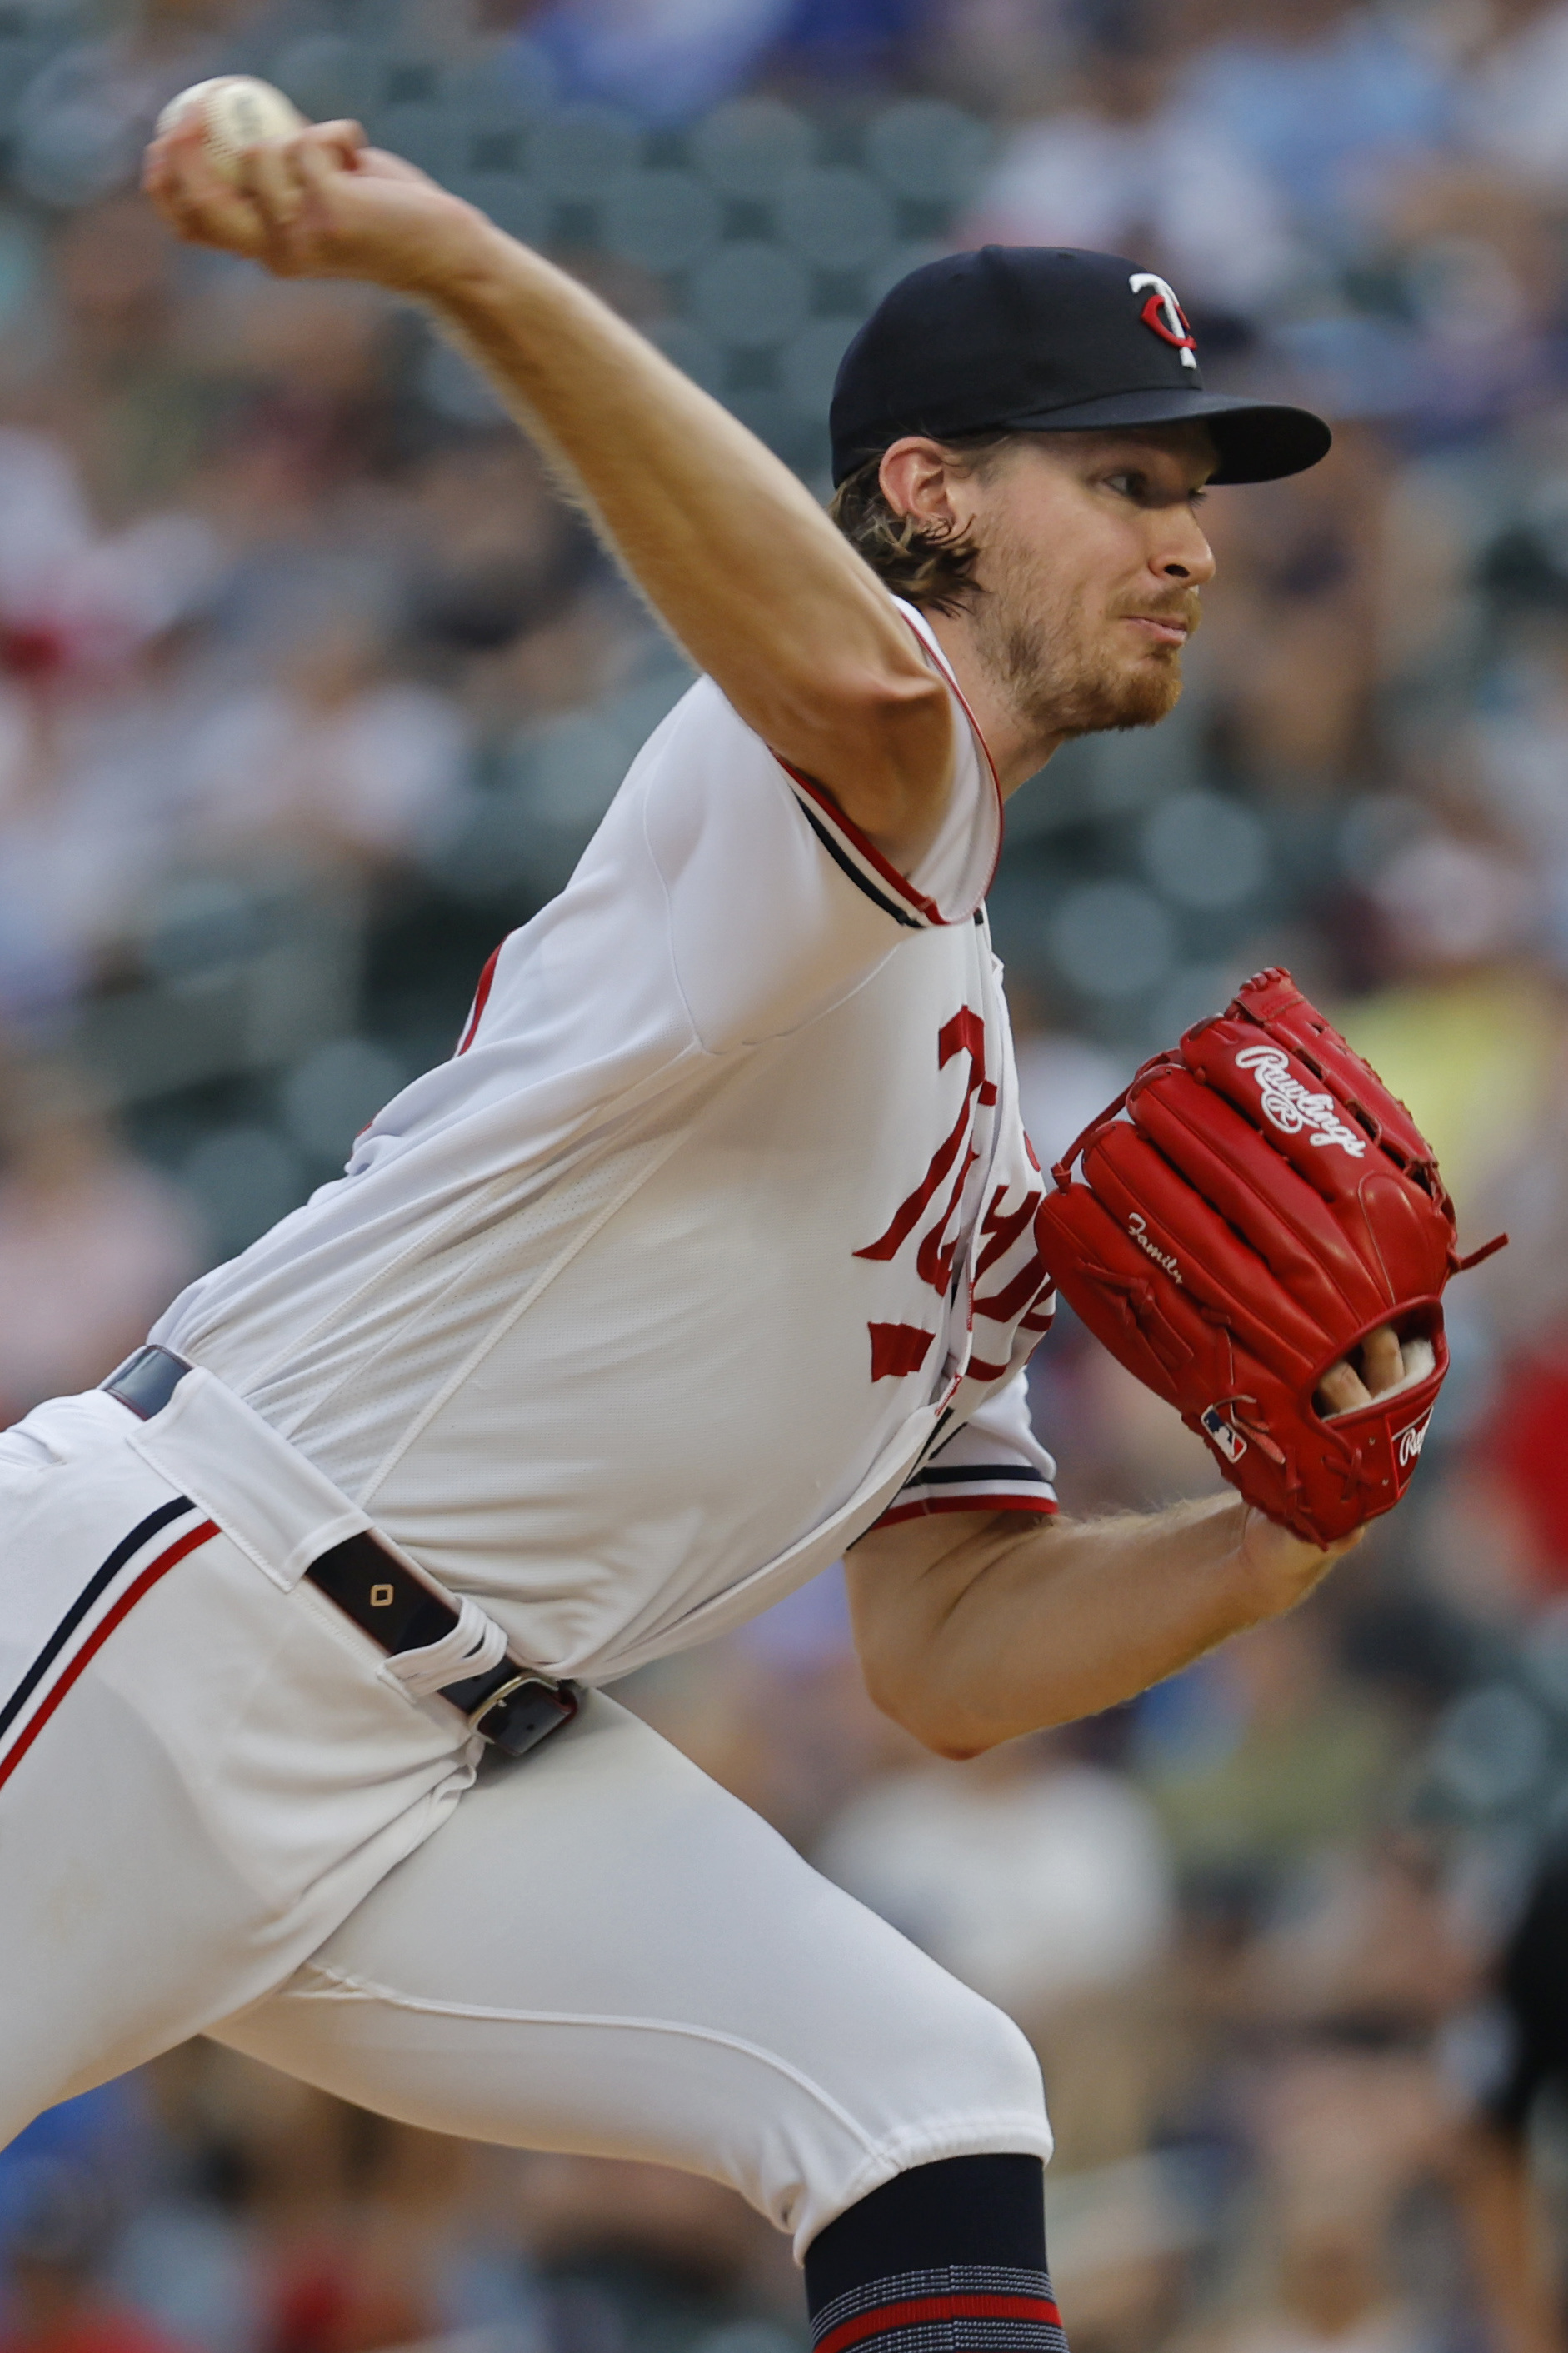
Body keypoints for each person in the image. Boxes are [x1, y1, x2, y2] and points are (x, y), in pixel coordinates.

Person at [0, 114, 1412, 2353]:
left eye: (1198, 497)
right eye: (1126, 483)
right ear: (927, 493)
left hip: (449, 1768)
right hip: (179, 1612)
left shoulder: (960, 1037)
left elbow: (942, 1651)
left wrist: (1277, 1542)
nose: (1191, 544)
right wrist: (461, 260)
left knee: (923, 2095)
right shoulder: (822, 777)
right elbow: (853, 693)